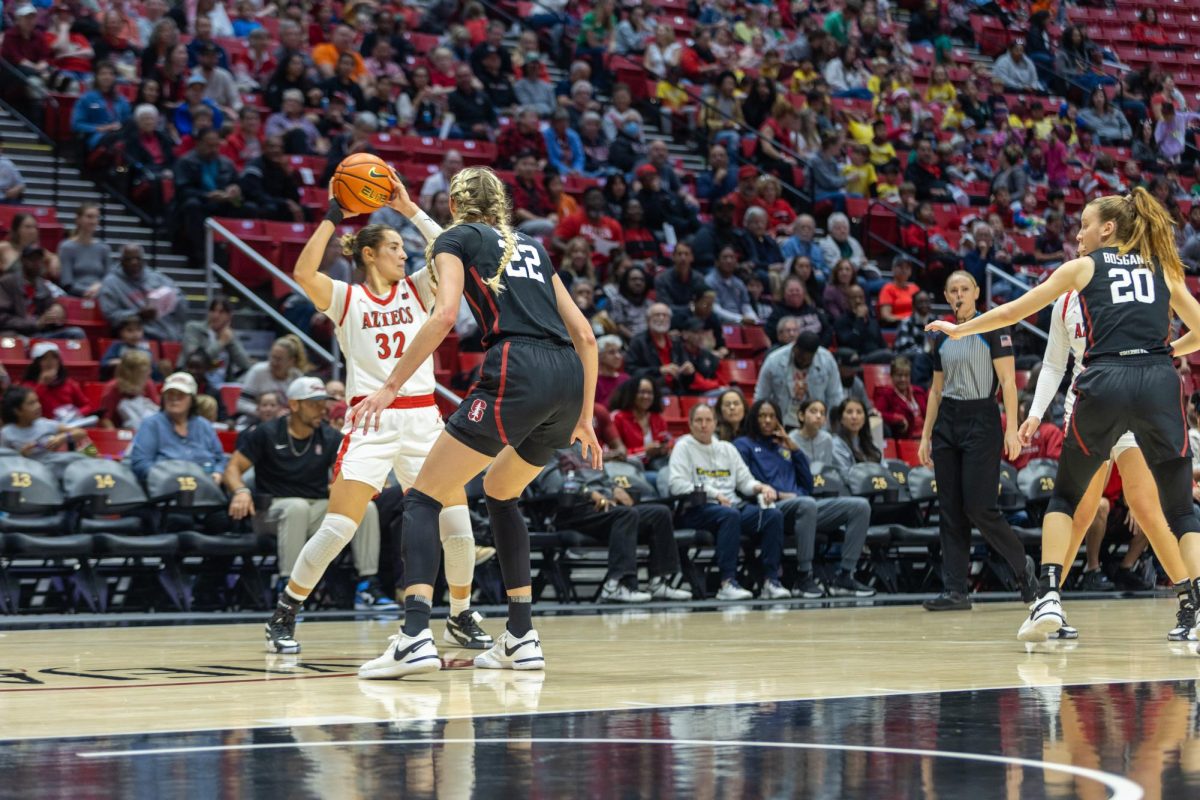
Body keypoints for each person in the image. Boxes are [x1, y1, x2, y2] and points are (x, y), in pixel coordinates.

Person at [348, 166, 599, 677]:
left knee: (423, 495)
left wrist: (391, 384)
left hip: (517, 367)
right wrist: (587, 417)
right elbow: (587, 335)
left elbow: (443, 318)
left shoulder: (458, 237)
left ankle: (414, 636)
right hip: (567, 381)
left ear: (457, 205)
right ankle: (521, 636)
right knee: (502, 490)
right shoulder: (532, 244)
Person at [260, 180, 497, 653]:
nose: (403, 254)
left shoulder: (419, 289)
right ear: (369, 254)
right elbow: (302, 271)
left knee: (458, 524)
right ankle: (284, 612)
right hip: (371, 420)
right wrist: (333, 213)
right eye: (393, 248)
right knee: (339, 528)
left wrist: (409, 210)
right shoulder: (348, 299)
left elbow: (453, 251)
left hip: (424, 421)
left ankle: (459, 613)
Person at [1016, 283, 1193, 641]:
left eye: (1087, 230)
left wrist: (1164, 352)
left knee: (1146, 509)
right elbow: (1052, 364)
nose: (1081, 240)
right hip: (1088, 406)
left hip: (1130, 402)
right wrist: (1035, 413)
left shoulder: (1127, 290)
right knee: (1079, 513)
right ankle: (1048, 602)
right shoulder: (1066, 300)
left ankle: (1190, 601)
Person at [917, 270, 1040, 611]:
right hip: (948, 422)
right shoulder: (940, 335)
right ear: (946, 295)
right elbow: (936, 389)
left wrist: (1011, 428)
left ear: (975, 294)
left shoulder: (993, 326)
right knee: (950, 510)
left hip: (982, 419)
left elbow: (1009, 383)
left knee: (980, 508)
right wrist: (926, 435)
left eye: (964, 289)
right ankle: (956, 591)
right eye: (953, 290)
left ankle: (1022, 567)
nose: (959, 295)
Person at [227, 377, 395, 614]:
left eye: (323, 403)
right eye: (314, 403)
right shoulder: (267, 433)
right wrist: (241, 491)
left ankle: (367, 586)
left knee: (364, 508)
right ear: (294, 405)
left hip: (314, 508)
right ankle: (288, 590)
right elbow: (233, 468)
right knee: (296, 508)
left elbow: (347, 469)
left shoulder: (328, 436)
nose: (322, 409)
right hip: (270, 511)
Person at [735, 399, 875, 598]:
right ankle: (803, 576)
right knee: (806, 503)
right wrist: (781, 494)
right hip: (771, 507)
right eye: (762, 416)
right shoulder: (743, 445)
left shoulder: (784, 446)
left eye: (772, 416)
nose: (767, 420)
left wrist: (794, 449)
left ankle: (845, 575)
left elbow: (808, 485)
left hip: (803, 507)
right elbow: (744, 483)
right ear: (753, 418)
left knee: (859, 506)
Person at [537, 444, 691, 602]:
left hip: (604, 507)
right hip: (572, 511)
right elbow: (554, 486)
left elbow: (603, 479)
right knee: (626, 514)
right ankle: (617, 585)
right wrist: (588, 493)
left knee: (660, 513)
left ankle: (659, 582)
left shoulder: (585, 445)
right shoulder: (545, 446)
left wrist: (614, 489)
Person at [667, 403, 787, 600]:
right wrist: (713, 493)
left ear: (715, 423)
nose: (704, 425)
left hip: (730, 506)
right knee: (729, 515)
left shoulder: (727, 448)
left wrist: (761, 487)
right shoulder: (683, 447)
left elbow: (745, 481)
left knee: (772, 516)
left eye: (708, 420)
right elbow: (677, 485)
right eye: (698, 421)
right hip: (697, 510)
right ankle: (727, 582)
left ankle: (770, 581)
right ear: (690, 424)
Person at [128, 371, 227, 482]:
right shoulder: (151, 424)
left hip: (206, 486)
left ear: (192, 399)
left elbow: (221, 459)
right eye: (170, 394)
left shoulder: (204, 425)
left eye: (181, 394)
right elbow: (140, 463)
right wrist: (167, 478)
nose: (174, 399)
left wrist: (218, 473)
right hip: (165, 490)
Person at [756, 331, 843, 430]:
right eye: (800, 357)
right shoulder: (774, 361)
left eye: (807, 359)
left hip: (815, 423)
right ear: (794, 347)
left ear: (815, 354)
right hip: (782, 421)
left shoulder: (827, 361)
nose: (803, 361)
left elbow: (835, 396)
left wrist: (831, 426)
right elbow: (761, 395)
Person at [97, 244, 186, 341]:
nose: (134, 262)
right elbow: (111, 315)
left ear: (143, 260)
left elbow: (179, 296)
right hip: (138, 335)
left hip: (167, 329)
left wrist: (171, 303)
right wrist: (138, 314)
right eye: (129, 259)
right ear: (121, 261)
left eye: (137, 258)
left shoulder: (156, 277)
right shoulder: (111, 283)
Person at [0, 246, 85, 340]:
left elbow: (52, 306)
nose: (37, 263)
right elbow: (3, 318)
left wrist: (58, 310)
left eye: (39, 259)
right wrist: (35, 323)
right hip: (15, 335)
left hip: (39, 336)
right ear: (23, 260)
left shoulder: (42, 285)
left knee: (76, 333)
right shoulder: (7, 283)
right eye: (32, 259)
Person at [0, 385, 92, 460]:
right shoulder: (6, 433)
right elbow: (4, 462)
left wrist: (62, 437)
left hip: (52, 469)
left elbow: (81, 433)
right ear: (17, 411)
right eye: (31, 403)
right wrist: (21, 455)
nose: (38, 406)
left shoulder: (44, 424)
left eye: (37, 401)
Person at [180, 295, 250, 384]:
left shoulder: (228, 335)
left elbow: (245, 364)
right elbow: (195, 361)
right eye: (213, 310)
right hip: (193, 380)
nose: (215, 315)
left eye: (221, 312)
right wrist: (221, 342)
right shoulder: (193, 328)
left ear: (229, 316)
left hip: (223, 384)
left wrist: (230, 340)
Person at [608, 377, 671, 472]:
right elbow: (614, 454)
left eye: (650, 393)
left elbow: (666, 441)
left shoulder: (658, 418)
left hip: (655, 465)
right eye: (642, 392)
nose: (646, 396)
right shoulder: (617, 418)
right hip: (627, 468)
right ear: (631, 394)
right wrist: (644, 451)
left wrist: (665, 449)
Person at [235, 335, 308, 417]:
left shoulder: (297, 376)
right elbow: (241, 404)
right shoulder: (258, 371)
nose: (274, 362)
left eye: (279, 359)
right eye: (272, 357)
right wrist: (265, 412)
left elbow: (302, 407)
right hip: (256, 422)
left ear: (291, 361)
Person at [97, 349, 160, 430]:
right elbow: (105, 419)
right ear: (129, 372)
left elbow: (156, 410)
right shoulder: (113, 388)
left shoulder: (148, 383)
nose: (149, 372)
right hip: (120, 431)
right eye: (143, 371)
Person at [58, 202, 111, 298]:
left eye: (96, 217)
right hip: (75, 297)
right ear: (78, 220)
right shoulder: (66, 247)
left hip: (101, 295)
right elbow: (66, 282)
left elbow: (109, 278)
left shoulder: (104, 248)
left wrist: (99, 287)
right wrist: (87, 291)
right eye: (89, 217)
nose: (93, 221)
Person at [873, 356, 927, 439]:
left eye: (906, 375)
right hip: (906, 439)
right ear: (892, 376)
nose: (903, 379)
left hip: (926, 437)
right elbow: (876, 414)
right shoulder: (885, 394)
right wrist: (896, 417)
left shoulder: (919, 392)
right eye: (899, 375)